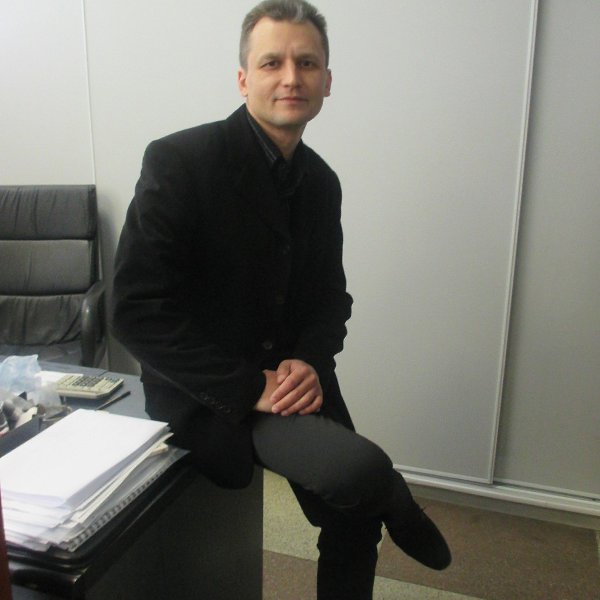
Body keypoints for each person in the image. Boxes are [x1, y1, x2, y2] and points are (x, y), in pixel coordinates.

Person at [111, 1, 451, 598]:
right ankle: (399, 500)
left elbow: (330, 299)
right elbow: (135, 312)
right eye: (272, 63)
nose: (291, 77)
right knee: (362, 471)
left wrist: (310, 361)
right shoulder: (179, 161)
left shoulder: (321, 182)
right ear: (244, 79)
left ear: (327, 81)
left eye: (307, 63)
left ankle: (380, 508)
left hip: (294, 379)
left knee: (353, 516)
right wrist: (252, 387)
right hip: (212, 387)